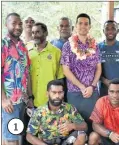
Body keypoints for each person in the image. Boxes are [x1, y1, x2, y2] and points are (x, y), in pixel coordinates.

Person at [60, 13, 101, 135]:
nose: (83, 26)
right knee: (76, 127)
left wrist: (92, 86)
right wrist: (82, 87)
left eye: (86, 24)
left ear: (90, 27)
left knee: (94, 126)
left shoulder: (95, 45)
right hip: (74, 92)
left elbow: (99, 68)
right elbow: (66, 70)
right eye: (80, 23)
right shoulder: (67, 46)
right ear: (76, 26)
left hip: (92, 92)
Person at [1, 12, 33, 145]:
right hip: (9, 103)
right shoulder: (3, 44)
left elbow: (27, 73)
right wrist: (3, 99)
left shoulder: (23, 46)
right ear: (6, 24)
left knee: (18, 138)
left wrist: (30, 98)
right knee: (11, 139)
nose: (18, 27)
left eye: (20, 24)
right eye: (14, 23)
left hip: (23, 102)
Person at [26, 80, 87, 145]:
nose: (57, 96)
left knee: (82, 134)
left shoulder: (69, 108)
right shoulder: (39, 111)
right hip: (46, 143)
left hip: (66, 142)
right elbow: (29, 136)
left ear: (63, 93)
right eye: (54, 92)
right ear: (47, 94)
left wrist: (72, 126)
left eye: (60, 92)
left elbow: (84, 126)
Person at [29, 22, 64, 107]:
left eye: (38, 32)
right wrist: (29, 98)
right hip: (31, 100)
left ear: (46, 33)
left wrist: (59, 98)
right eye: (33, 33)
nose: (34, 35)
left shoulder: (56, 52)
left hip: (50, 100)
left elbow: (60, 78)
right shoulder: (28, 52)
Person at [98, 20, 119, 99]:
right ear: (103, 31)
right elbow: (95, 70)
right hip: (104, 90)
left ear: (117, 31)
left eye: (113, 28)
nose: (110, 31)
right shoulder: (97, 48)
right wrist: (105, 81)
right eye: (107, 28)